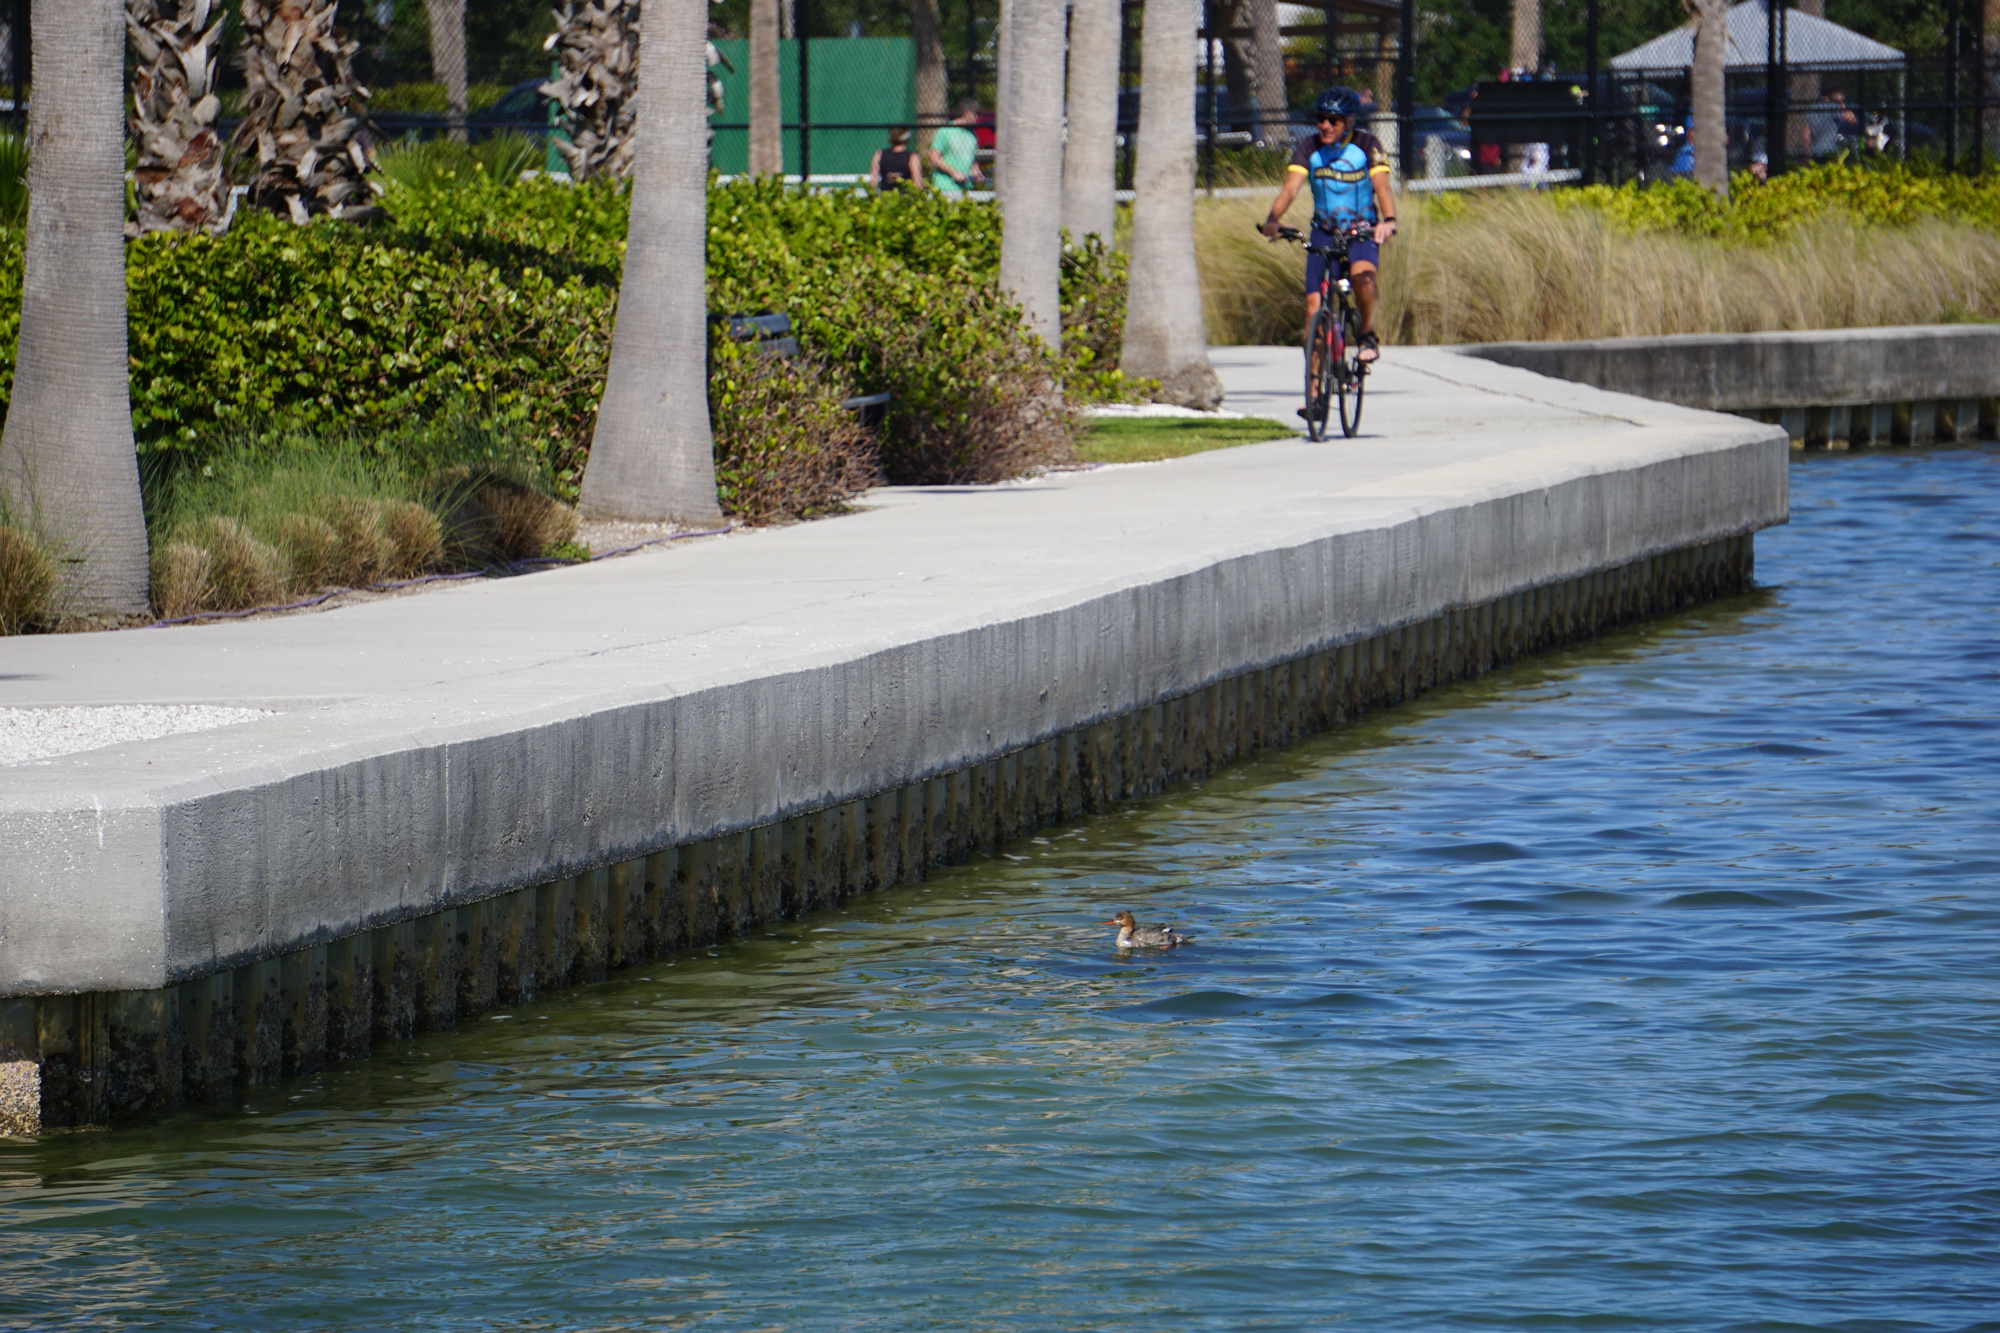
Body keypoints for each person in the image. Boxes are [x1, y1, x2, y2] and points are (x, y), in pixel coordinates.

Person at [1259, 86, 1397, 368]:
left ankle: (1367, 335)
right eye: (1320, 119)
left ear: (1348, 122)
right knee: (1313, 314)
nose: (1325, 125)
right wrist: (1272, 220)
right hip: (1323, 232)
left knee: (1364, 280)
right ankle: (1314, 399)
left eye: (1333, 120)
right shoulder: (1309, 147)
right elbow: (1290, 190)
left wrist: (1389, 220)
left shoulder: (1367, 144)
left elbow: (1382, 187)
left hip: (1361, 232)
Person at [929, 100, 986, 197]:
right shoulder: (945, 130)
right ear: (967, 113)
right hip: (944, 188)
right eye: (977, 115)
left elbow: (972, 160)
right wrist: (953, 172)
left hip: (965, 190)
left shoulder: (972, 134)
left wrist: (976, 173)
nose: (978, 118)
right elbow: (933, 157)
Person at [870, 127, 923, 192]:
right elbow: (917, 183)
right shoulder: (912, 158)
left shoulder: (879, 154)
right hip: (904, 199)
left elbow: (873, 181)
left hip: (885, 197)